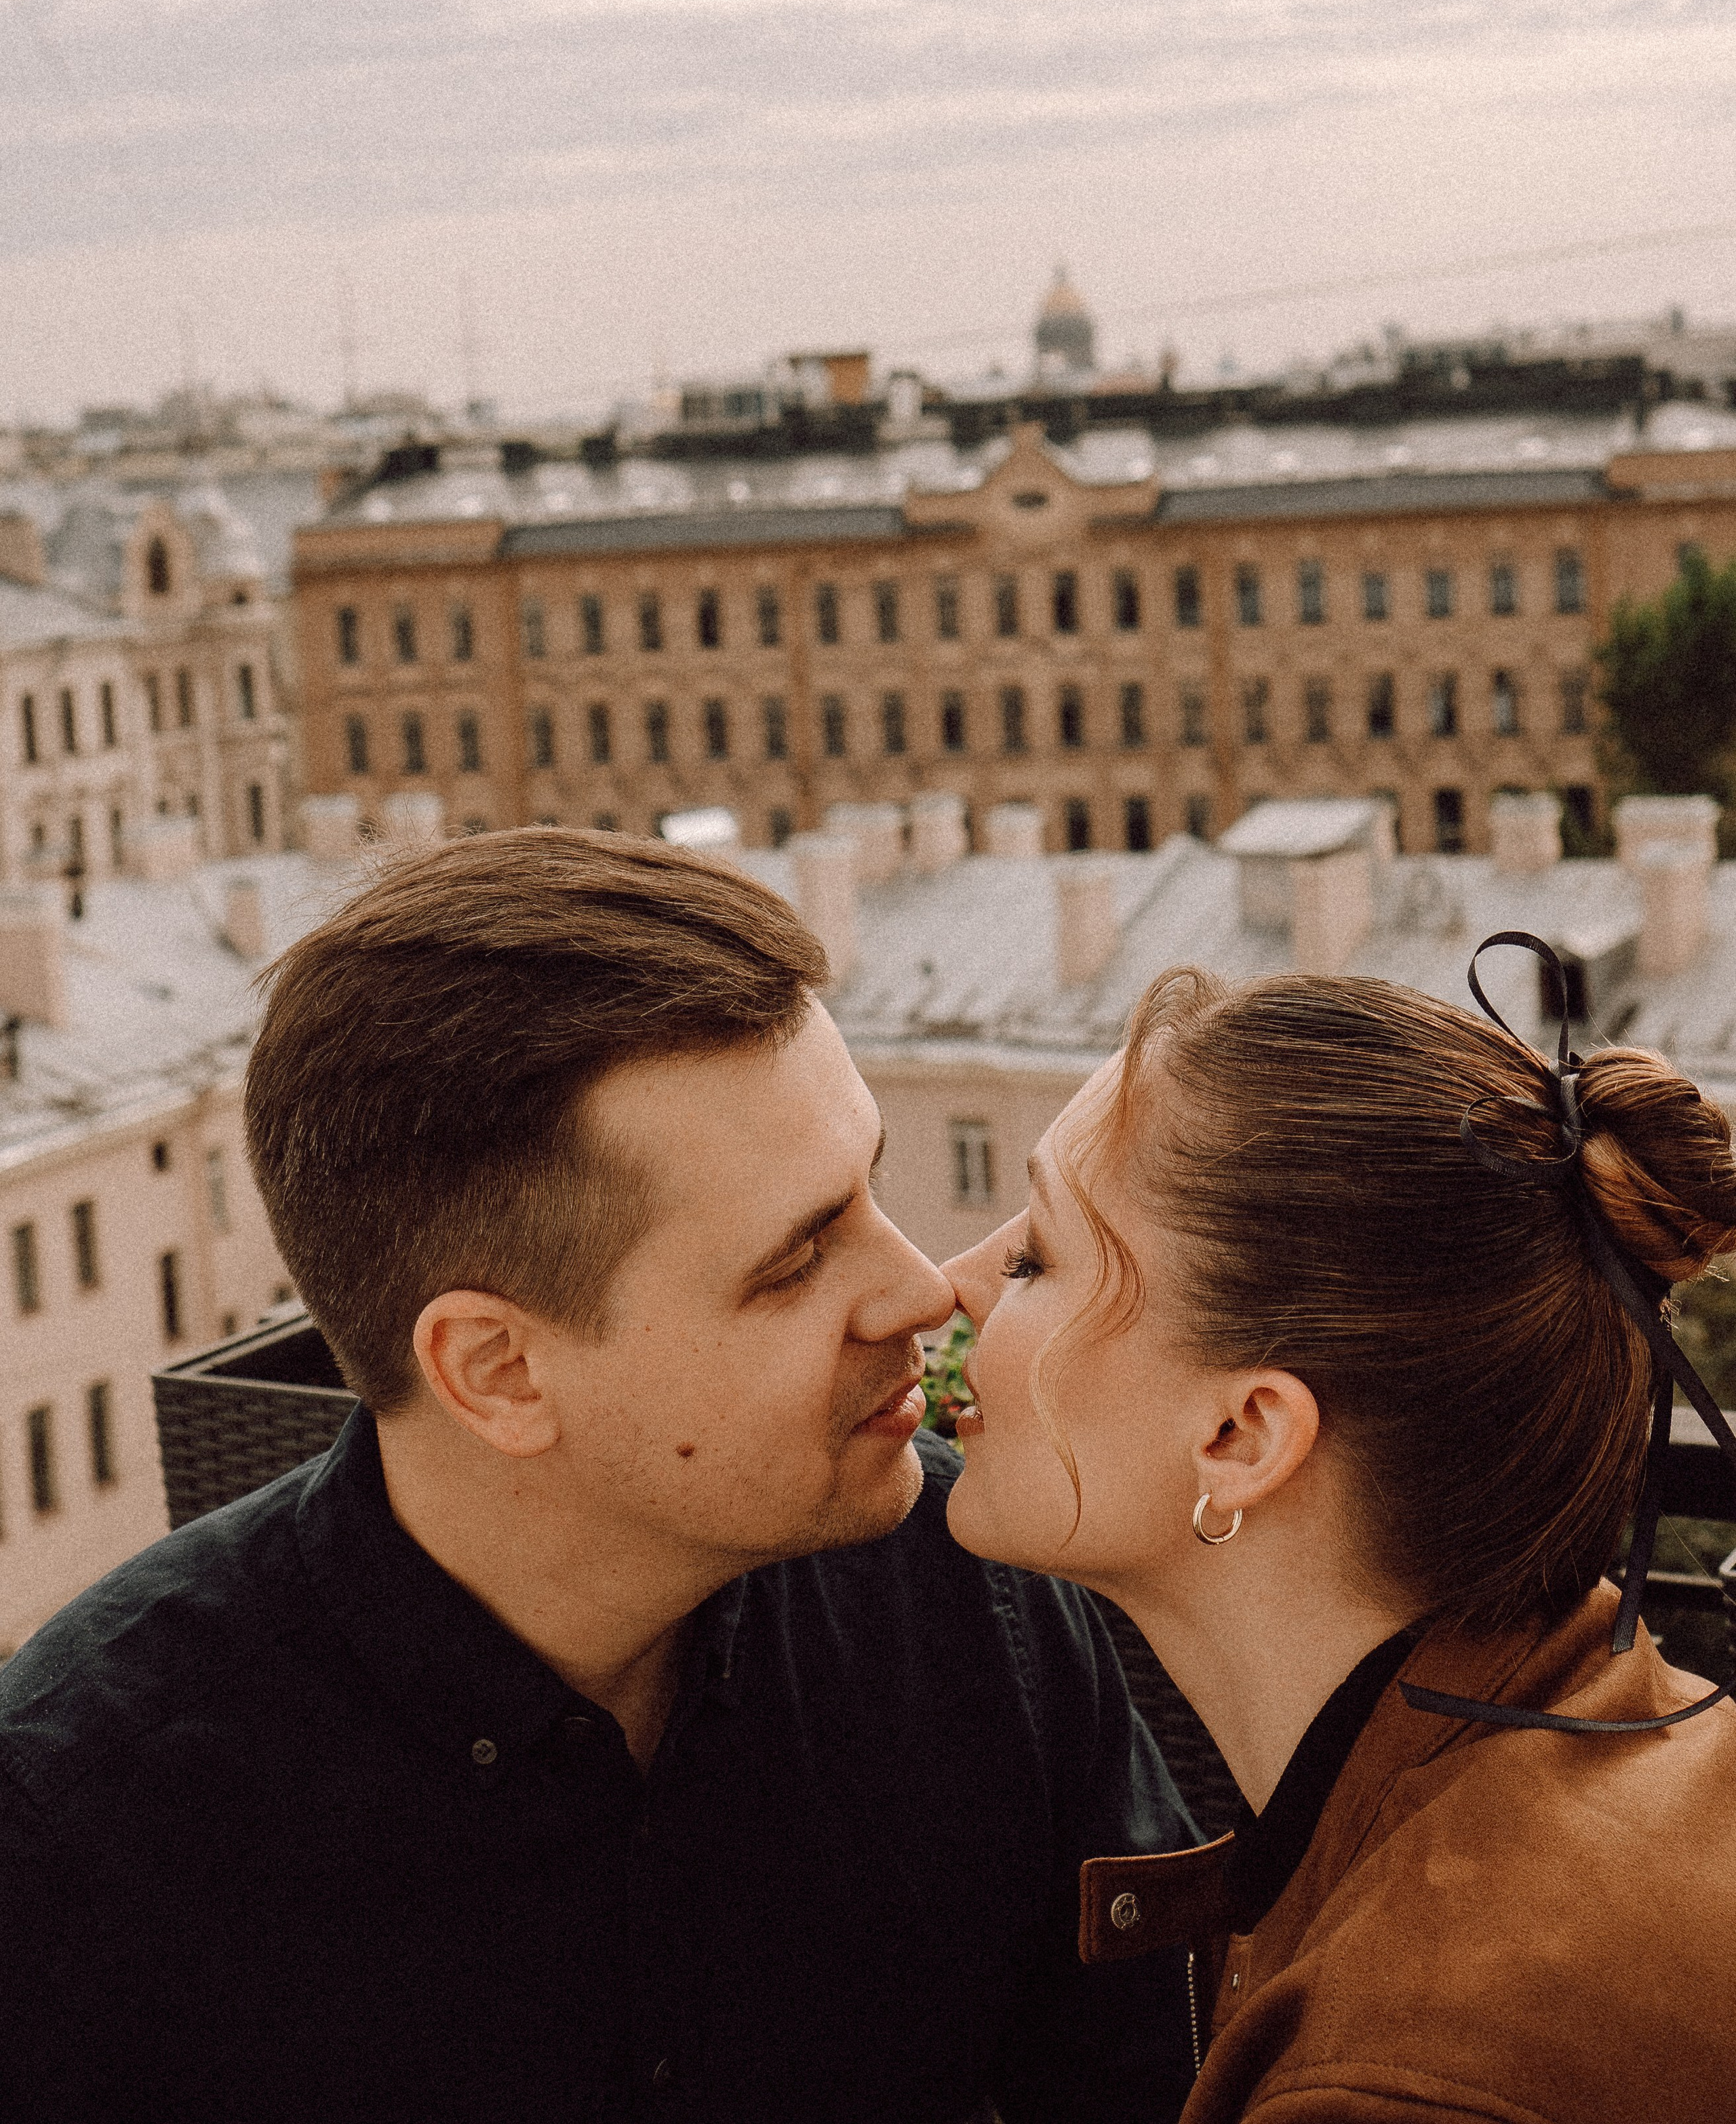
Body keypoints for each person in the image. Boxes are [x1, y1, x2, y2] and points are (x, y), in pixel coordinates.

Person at [0, 829, 1196, 2124]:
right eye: (797, 1259)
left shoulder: (979, 1610)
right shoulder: (78, 1842)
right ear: (499, 1371)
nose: (922, 1287)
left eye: (871, 1187)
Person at [943, 941, 1736, 2124]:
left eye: (1034, 1257)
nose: (946, 1282)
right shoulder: (1645, 1747)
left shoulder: (1407, 2070)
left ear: (1242, 1435)